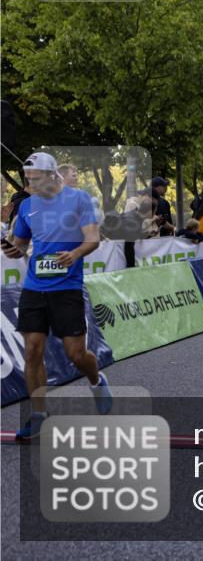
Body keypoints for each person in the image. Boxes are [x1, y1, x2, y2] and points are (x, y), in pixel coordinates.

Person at [3, 152, 112, 439]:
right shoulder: (26, 206)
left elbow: (92, 238)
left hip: (67, 288)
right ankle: (39, 415)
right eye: (28, 180)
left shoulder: (78, 199)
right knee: (32, 350)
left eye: (36, 180)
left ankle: (96, 380)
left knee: (76, 354)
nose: (31, 185)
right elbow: (20, 245)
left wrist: (74, 254)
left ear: (53, 175)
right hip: (34, 287)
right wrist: (11, 245)